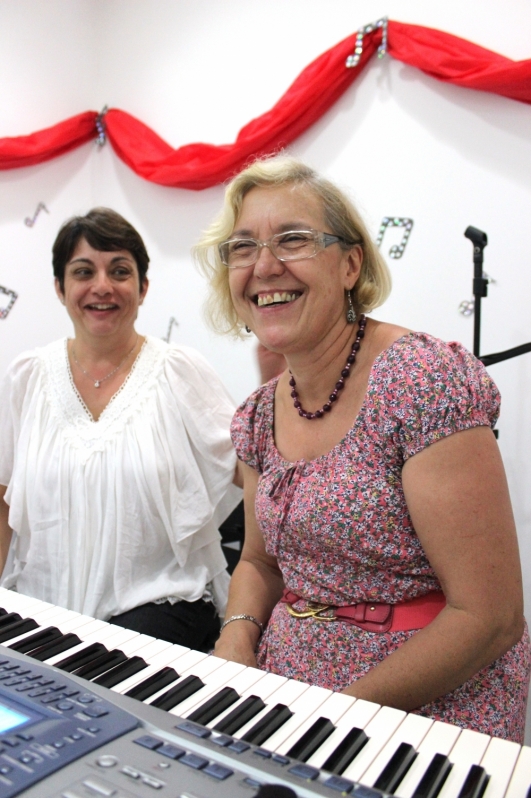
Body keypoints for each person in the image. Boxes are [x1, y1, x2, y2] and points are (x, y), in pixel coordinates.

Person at [195, 155, 530, 742]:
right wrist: (237, 635)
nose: (264, 266)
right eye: (243, 248)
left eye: (292, 239)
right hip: (287, 691)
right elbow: (257, 562)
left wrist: (332, 720)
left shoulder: (422, 380)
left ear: (351, 264)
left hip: (426, 709)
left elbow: (490, 618)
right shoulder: (256, 416)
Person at [0, 207, 241, 652]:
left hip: (159, 606)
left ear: (143, 288)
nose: (102, 286)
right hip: (40, 610)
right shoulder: (26, 376)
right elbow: (2, 499)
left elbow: (253, 470)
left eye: (120, 271)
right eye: (83, 271)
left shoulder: (180, 372)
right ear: (60, 287)